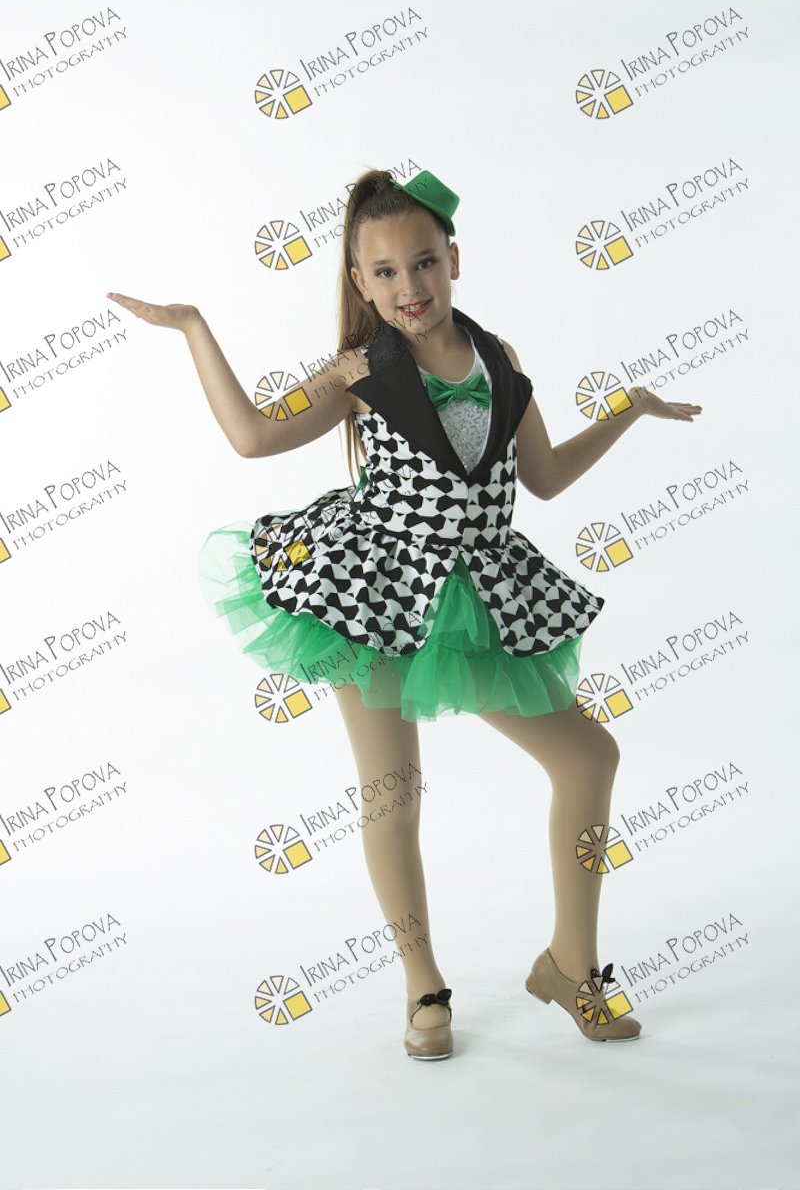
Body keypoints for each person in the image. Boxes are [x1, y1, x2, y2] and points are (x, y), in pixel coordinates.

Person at [106, 167, 702, 1061]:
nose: (408, 287)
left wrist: (631, 411)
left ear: (453, 258)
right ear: (360, 282)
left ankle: (570, 965)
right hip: (374, 589)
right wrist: (195, 327)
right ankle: (424, 984)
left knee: (589, 755)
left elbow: (543, 477)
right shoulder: (362, 370)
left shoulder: (500, 357)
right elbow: (254, 436)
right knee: (394, 789)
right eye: (383, 272)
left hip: (477, 594)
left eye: (422, 263)